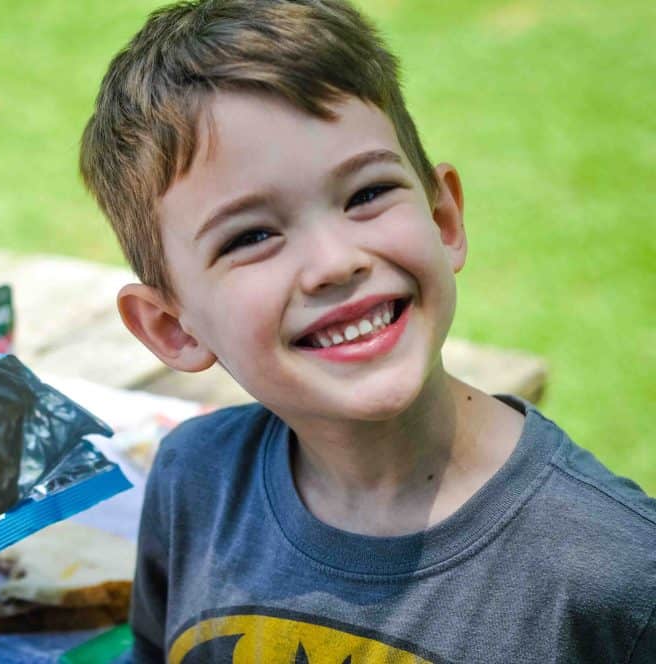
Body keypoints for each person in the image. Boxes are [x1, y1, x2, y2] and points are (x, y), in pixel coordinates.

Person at [78, 1, 656, 661]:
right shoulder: (194, 482)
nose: (335, 262)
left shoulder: (619, 573)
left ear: (444, 221)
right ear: (172, 328)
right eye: (253, 235)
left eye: (365, 194)